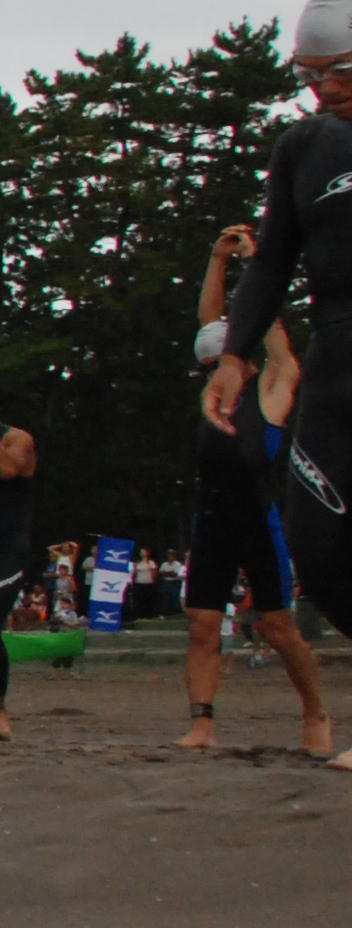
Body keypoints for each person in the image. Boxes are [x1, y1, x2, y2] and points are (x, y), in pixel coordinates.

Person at [206, 0, 352, 771]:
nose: (324, 90)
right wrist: (234, 353)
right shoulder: (304, 147)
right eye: (310, 73)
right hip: (337, 358)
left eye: (342, 72)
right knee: (317, 547)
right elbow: (272, 262)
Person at [182, 250, 332, 752]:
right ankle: (202, 723)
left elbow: (283, 357)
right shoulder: (213, 396)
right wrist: (217, 261)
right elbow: (209, 320)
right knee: (201, 624)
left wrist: (259, 271)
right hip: (211, 520)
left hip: (257, 521)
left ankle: (315, 714)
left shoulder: (267, 392)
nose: (211, 373)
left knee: (278, 627)